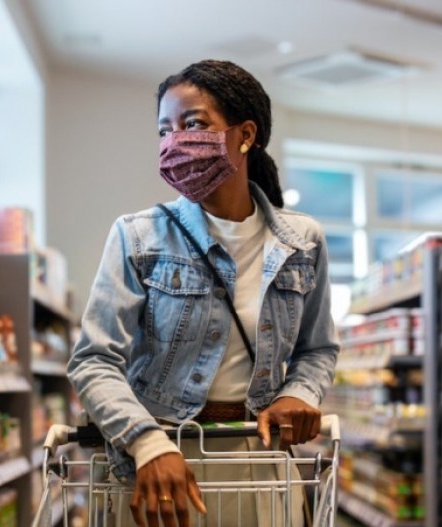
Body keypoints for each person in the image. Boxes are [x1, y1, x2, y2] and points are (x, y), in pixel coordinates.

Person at [68, 59, 339, 527]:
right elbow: (93, 360)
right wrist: (147, 444)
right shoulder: (138, 236)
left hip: (262, 463)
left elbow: (318, 348)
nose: (174, 141)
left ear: (246, 134)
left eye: (193, 124)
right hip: (160, 465)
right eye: (163, 131)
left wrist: (299, 393)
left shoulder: (303, 241)